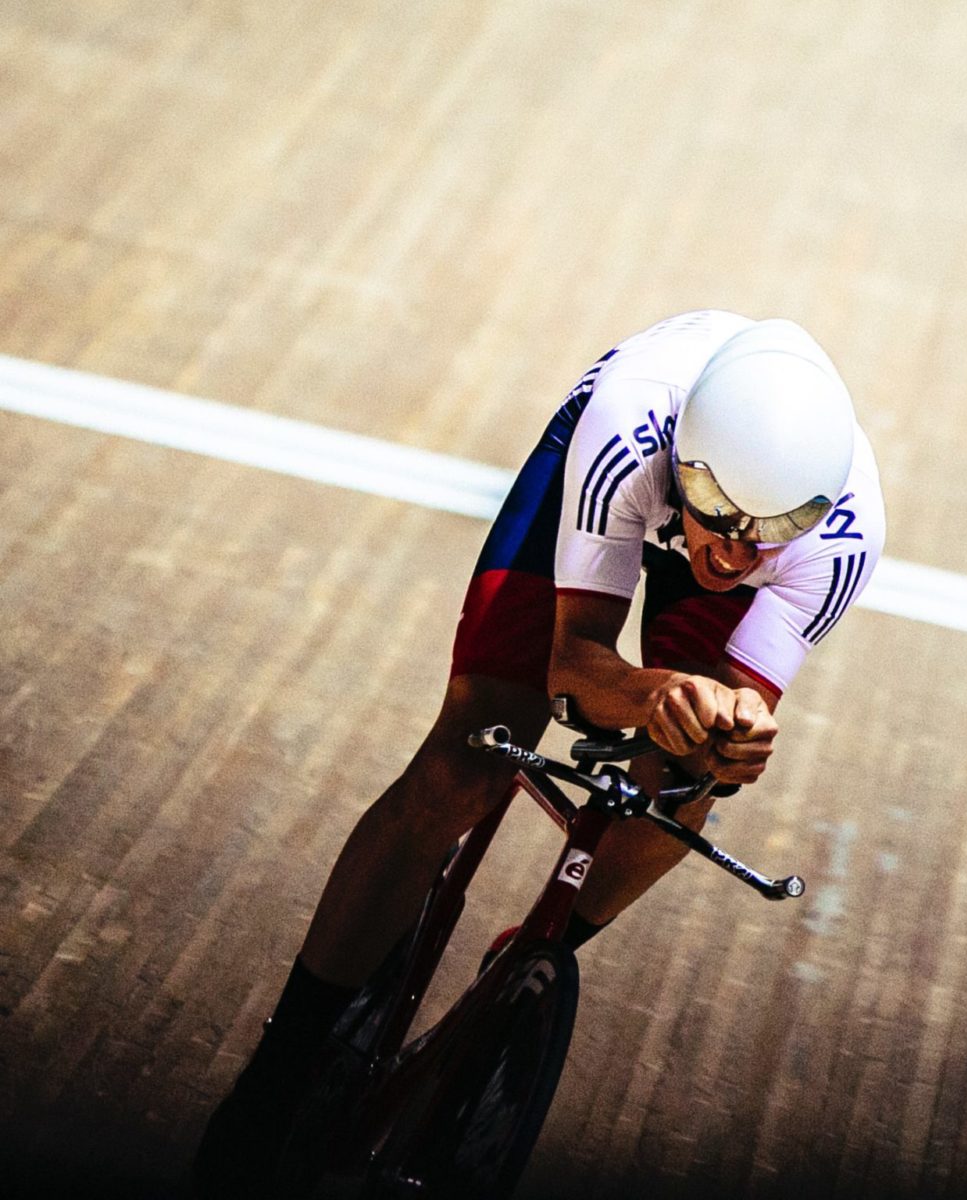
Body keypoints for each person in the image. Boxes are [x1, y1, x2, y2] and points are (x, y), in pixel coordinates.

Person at [192, 310, 885, 1194]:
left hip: (729, 501)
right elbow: (572, 665)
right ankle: (282, 1069)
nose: (734, 549)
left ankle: (530, 962)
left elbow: (735, 708)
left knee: (685, 780)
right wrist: (644, 692)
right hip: (606, 481)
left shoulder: (838, 538)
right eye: (717, 515)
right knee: (474, 752)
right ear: (685, 461)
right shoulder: (631, 431)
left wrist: (730, 740)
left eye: (773, 526)